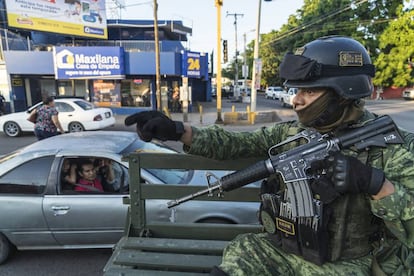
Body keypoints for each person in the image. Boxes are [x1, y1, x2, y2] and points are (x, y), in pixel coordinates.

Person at [124, 36, 414, 275]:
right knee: (237, 258)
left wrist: (375, 184)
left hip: (348, 265)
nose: (296, 100)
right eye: (297, 90)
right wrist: (177, 130)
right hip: (284, 249)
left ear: (343, 93)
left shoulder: (391, 147)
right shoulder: (292, 134)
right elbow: (234, 143)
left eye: (309, 92)